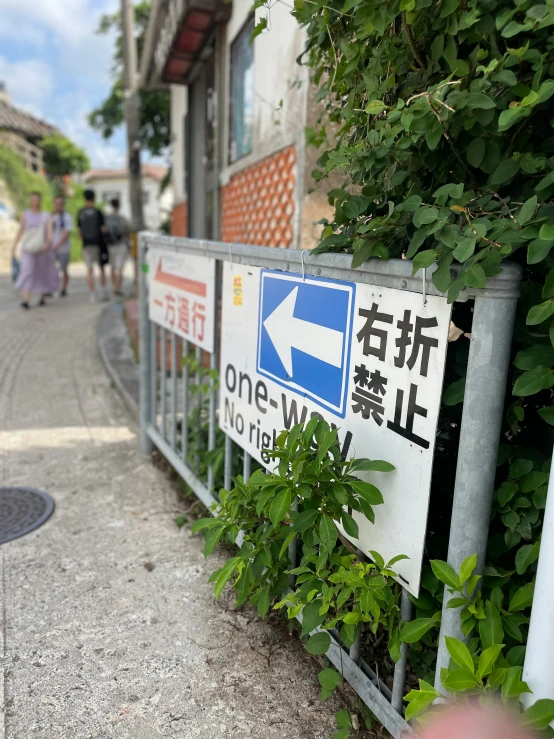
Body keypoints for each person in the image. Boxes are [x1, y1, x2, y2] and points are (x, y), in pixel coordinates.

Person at [11, 192, 58, 309]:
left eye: (36, 200)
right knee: (27, 270)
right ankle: (26, 300)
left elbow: (50, 232)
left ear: (39, 201)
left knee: (42, 272)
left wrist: (48, 242)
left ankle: (42, 296)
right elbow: (21, 230)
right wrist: (14, 245)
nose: (34, 202)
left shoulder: (46, 216)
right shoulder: (25, 215)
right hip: (28, 247)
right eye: (32, 199)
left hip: (43, 249)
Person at [77, 189, 108, 303]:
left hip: (86, 244)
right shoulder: (98, 212)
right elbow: (103, 228)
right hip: (98, 243)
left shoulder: (80, 212)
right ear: (94, 198)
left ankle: (92, 294)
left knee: (89, 269)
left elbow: (80, 230)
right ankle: (103, 290)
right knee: (101, 268)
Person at [105, 198, 130, 297]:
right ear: (119, 206)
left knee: (112, 266)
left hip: (110, 245)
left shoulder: (107, 218)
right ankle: (118, 288)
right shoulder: (122, 218)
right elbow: (127, 231)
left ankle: (114, 286)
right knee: (119, 268)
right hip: (121, 244)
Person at [51, 195, 73, 297]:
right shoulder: (51, 217)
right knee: (51, 268)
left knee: (64, 269)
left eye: (60, 204)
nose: (58, 206)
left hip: (63, 248)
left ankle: (64, 288)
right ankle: (50, 288)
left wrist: (58, 244)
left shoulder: (66, 217)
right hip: (52, 248)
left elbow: (66, 233)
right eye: (56, 204)